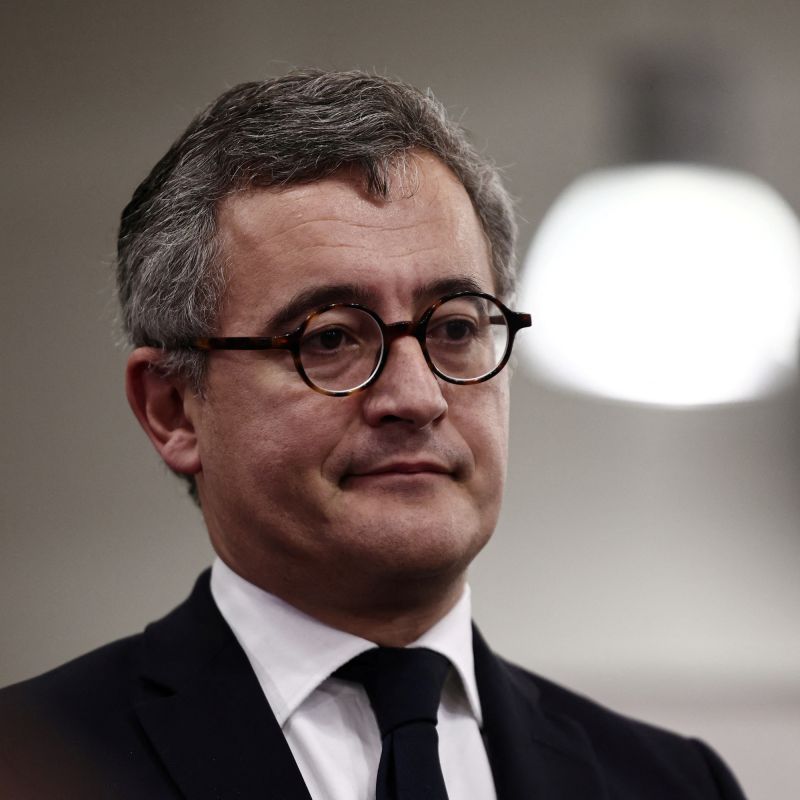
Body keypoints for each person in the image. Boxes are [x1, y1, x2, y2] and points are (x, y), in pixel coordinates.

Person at [0, 70, 746, 799]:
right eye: (328, 339)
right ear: (173, 408)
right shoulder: (32, 767)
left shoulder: (674, 785)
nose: (417, 397)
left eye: (456, 329)